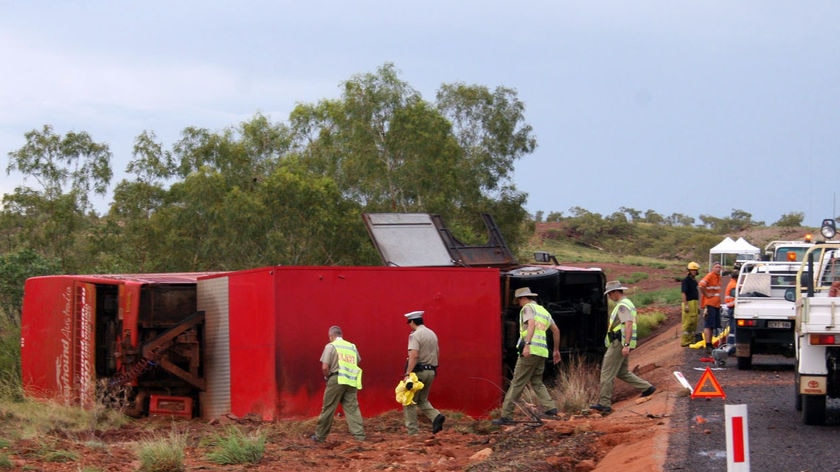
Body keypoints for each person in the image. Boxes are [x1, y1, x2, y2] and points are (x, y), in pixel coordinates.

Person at [492, 287, 562, 425]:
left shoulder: (528, 309)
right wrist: (556, 350)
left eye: (518, 300)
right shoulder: (544, 311)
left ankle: (506, 415)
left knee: (517, 383)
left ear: (523, 298)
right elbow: (556, 330)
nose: (518, 304)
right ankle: (551, 408)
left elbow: (531, 324)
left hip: (531, 351)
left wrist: (528, 344)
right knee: (537, 381)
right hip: (542, 352)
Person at [590, 281, 655, 414]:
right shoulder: (627, 303)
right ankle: (647, 388)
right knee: (622, 372)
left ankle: (604, 403)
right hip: (623, 341)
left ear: (615, 292)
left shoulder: (622, 306)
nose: (609, 297)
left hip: (619, 342)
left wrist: (625, 345)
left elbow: (628, 324)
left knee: (606, 372)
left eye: (609, 294)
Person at [311, 325, 365, 443]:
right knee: (352, 408)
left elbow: (325, 367)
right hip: (351, 380)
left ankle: (320, 437)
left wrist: (327, 376)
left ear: (331, 336)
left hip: (336, 379)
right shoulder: (352, 346)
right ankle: (359, 436)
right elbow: (358, 361)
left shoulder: (331, 346)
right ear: (341, 335)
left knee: (328, 408)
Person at [402, 310, 445, 435]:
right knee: (422, 400)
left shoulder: (415, 335)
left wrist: (407, 373)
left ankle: (413, 432)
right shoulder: (432, 334)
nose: (409, 325)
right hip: (431, 371)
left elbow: (414, 355)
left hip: (418, 373)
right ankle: (436, 416)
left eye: (409, 323)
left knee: (408, 401)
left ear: (413, 321)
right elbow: (437, 352)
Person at [699, 263, 723, 353]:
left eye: (719, 267)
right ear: (713, 268)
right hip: (710, 304)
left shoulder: (718, 277)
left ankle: (710, 344)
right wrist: (706, 294)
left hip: (716, 304)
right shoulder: (710, 276)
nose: (718, 269)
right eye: (716, 267)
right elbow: (701, 285)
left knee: (713, 325)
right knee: (708, 325)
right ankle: (708, 344)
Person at [680, 262, 701, 347]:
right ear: (689, 271)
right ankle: (685, 341)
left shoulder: (694, 281)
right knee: (688, 323)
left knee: (694, 322)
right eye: (693, 270)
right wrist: (686, 305)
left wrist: (698, 306)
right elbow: (683, 293)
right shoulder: (686, 281)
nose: (694, 272)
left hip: (695, 303)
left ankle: (691, 339)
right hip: (689, 303)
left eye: (695, 270)